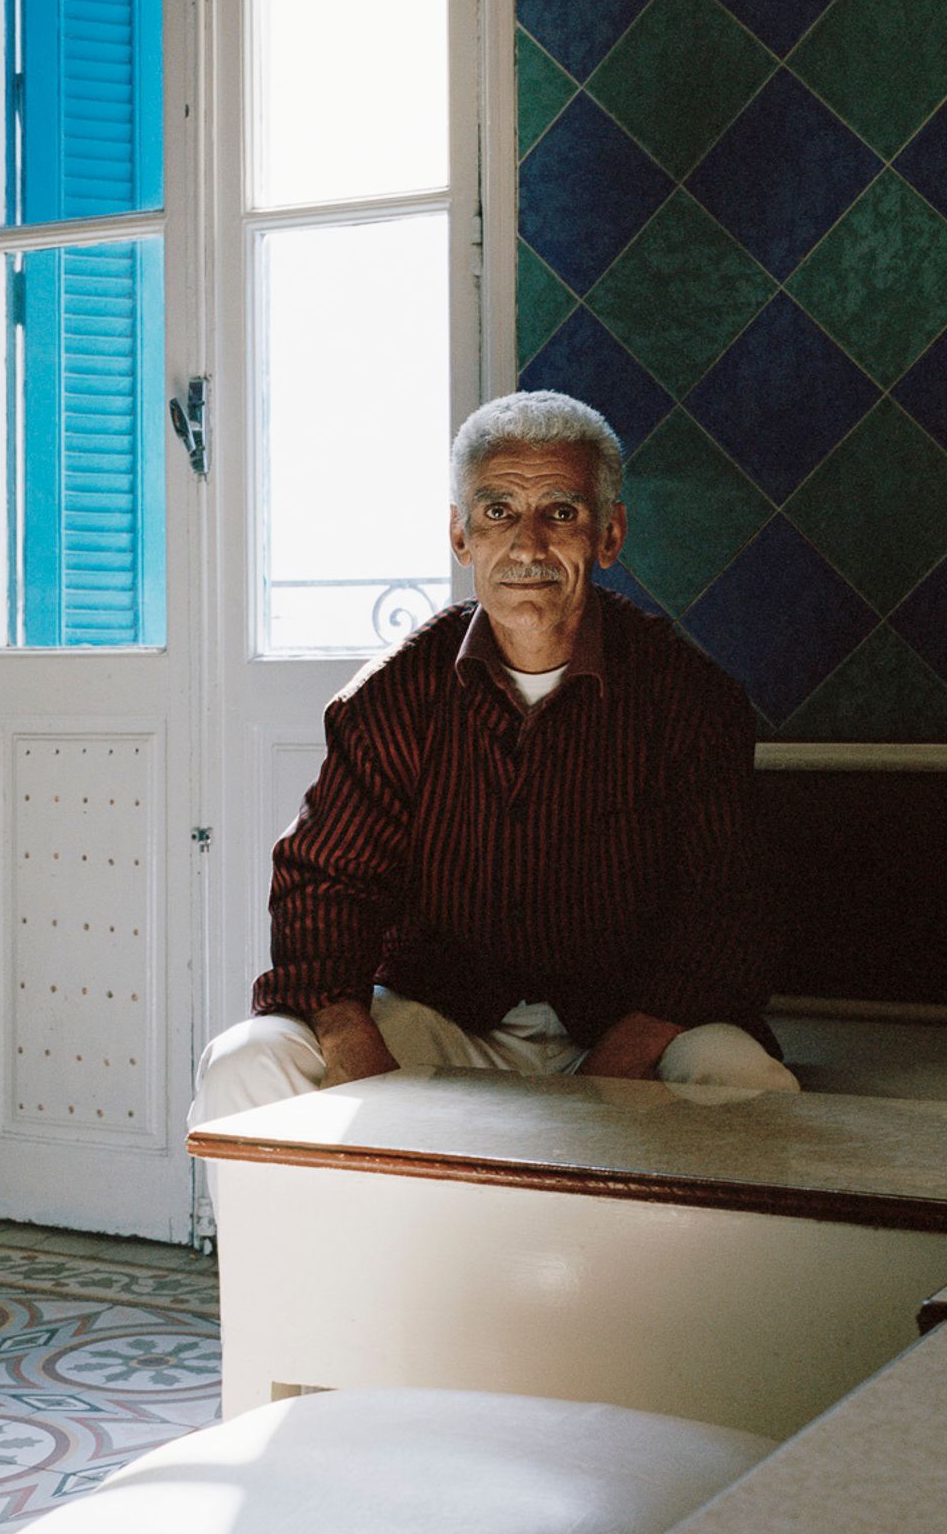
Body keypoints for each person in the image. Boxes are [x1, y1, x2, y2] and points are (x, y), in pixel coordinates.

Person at [190, 389, 796, 1125]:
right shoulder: (392, 698)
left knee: (745, 1081)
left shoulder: (689, 699)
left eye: (562, 513)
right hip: (444, 1021)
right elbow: (324, 882)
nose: (528, 546)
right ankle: (290, 1247)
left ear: (609, 534)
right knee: (246, 1062)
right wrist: (349, 1035)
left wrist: (629, 1048)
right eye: (498, 511)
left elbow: (730, 904)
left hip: (627, 1022)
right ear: (460, 536)